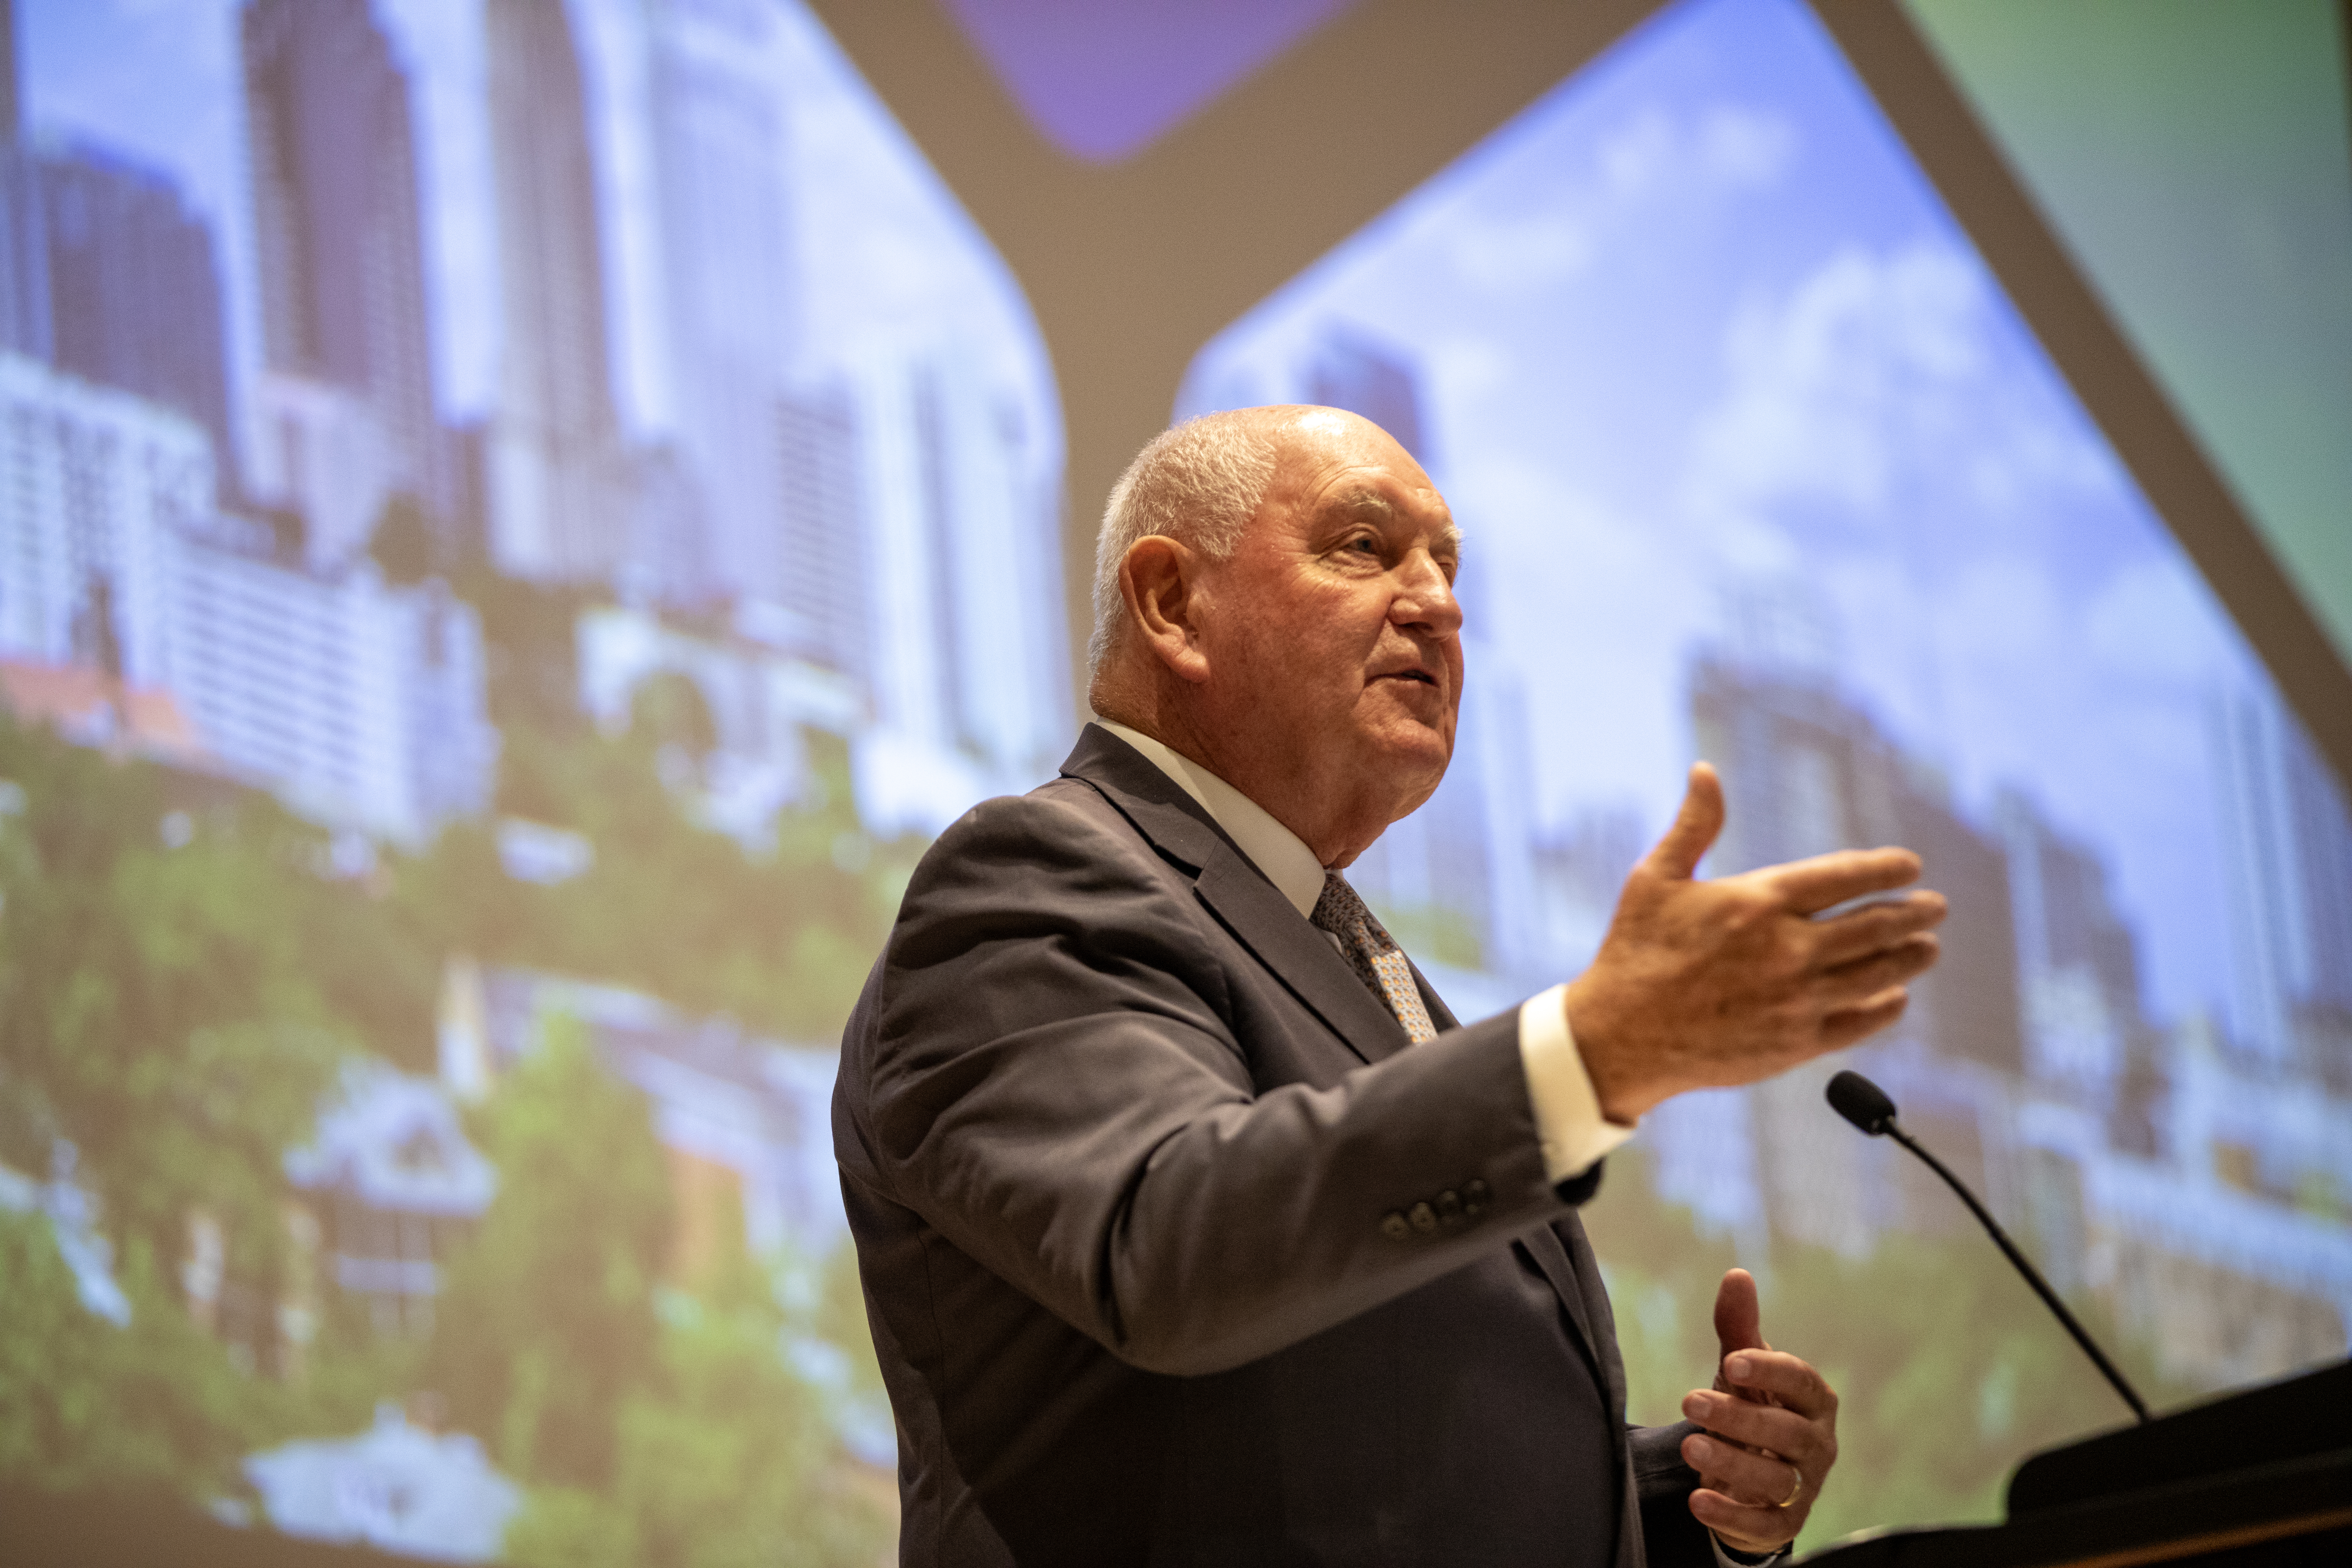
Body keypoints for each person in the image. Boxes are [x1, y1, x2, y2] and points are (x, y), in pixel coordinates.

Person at [833, 406, 1948, 1566]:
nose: (1440, 604)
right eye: (1364, 547)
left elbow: (1393, 1462)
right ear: (1172, 604)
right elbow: (1170, 1249)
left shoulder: (1352, 953)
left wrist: (1707, 1492)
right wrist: (1592, 1054)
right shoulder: (1029, 881)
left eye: (1448, 565)